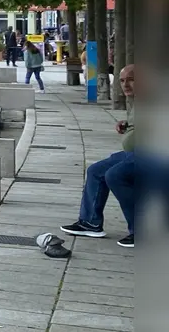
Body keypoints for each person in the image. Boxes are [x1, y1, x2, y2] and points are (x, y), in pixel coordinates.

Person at [62, 65, 137, 247]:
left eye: (131, 79)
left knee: (115, 175)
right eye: (121, 80)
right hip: (131, 153)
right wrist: (127, 124)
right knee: (96, 170)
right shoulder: (136, 101)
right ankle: (90, 222)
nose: (125, 84)